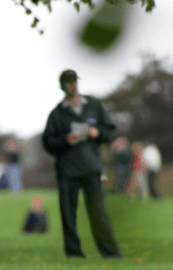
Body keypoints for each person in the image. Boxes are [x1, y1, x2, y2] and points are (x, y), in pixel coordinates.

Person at [42, 69, 123, 259]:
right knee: (68, 215)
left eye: (75, 81)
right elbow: (48, 143)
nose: (73, 85)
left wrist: (97, 133)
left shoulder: (94, 105)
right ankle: (74, 253)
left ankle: (110, 252)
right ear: (62, 86)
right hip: (67, 171)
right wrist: (65, 140)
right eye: (68, 82)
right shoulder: (56, 114)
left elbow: (109, 130)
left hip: (91, 167)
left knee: (98, 211)